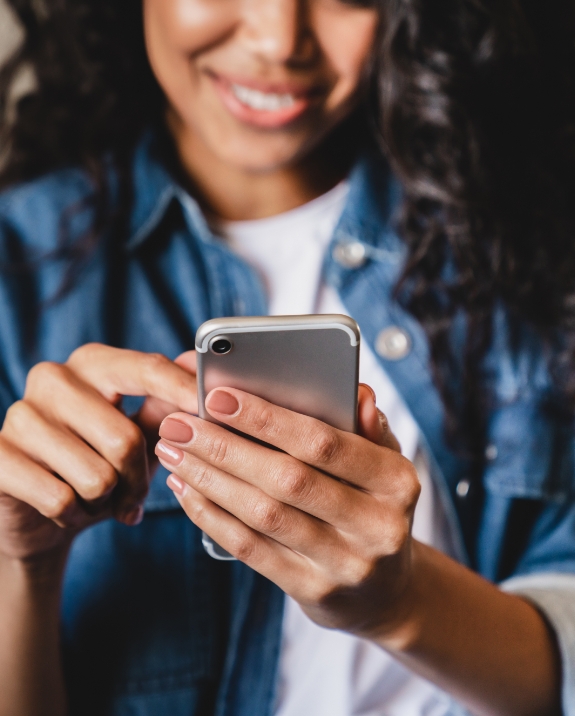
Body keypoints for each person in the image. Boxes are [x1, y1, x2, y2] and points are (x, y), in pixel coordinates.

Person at [0, 1, 574, 715]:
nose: (277, 40)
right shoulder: (14, 278)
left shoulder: (529, 244)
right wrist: (21, 562)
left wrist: (399, 602)